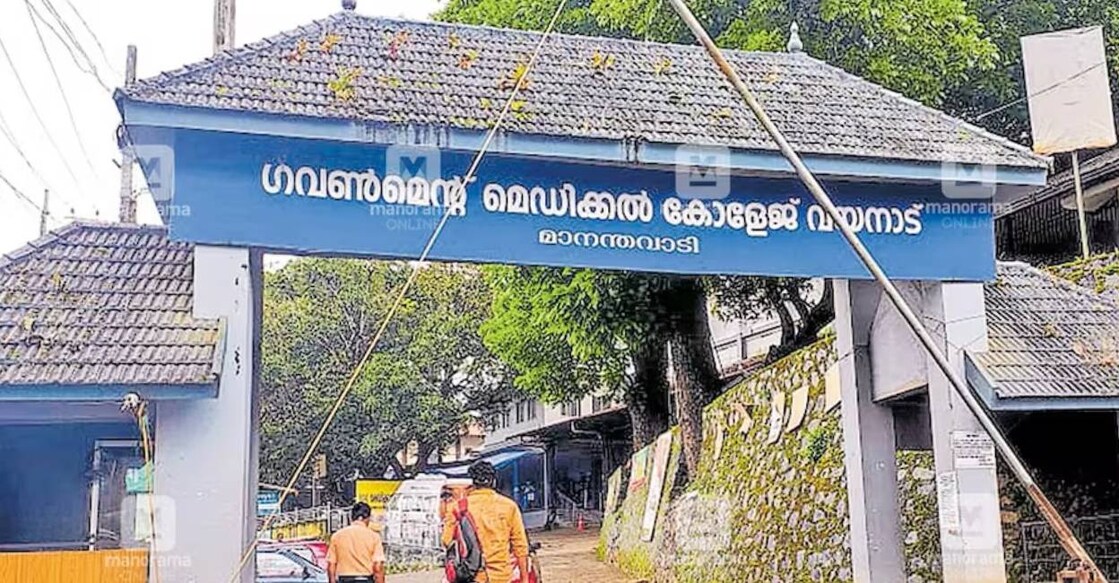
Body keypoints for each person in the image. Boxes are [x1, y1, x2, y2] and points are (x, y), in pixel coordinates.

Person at [443, 461, 530, 583]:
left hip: (471, 575)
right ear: (493, 481)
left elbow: (446, 540)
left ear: (473, 482)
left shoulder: (458, 507)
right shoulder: (509, 506)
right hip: (501, 576)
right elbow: (520, 546)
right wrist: (525, 579)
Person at [326, 502, 386, 583]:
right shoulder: (374, 537)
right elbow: (378, 567)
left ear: (352, 517)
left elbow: (331, 565)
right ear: (367, 518)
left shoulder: (337, 536)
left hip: (344, 580)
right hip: (365, 579)